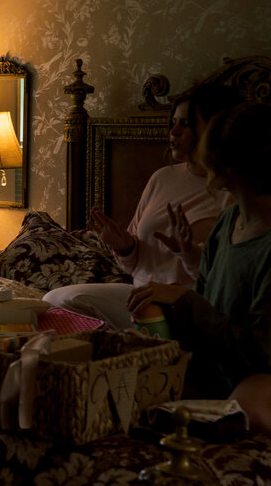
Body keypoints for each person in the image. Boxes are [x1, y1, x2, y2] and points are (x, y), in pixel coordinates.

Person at [42, 83, 242, 329]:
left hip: (188, 303)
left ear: (215, 130)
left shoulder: (235, 193)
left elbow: (226, 279)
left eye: (186, 124)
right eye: (174, 122)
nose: (174, 131)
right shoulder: (162, 178)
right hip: (138, 293)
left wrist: (187, 251)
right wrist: (125, 247)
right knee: (55, 300)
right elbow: (133, 264)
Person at [126, 102, 271, 433]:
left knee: (246, 403)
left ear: (232, 164)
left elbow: (260, 353)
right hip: (214, 364)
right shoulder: (228, 222)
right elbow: (206, 307)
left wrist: (181, 300)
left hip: (257, 375)